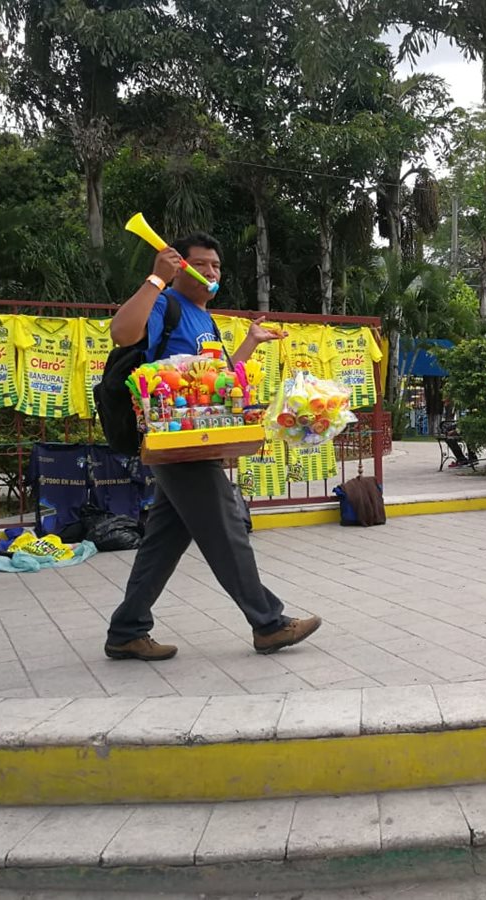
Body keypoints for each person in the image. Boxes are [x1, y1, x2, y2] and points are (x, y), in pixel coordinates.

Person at [103, 232, 322, 661]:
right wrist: (154, 280)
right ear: (178, 265)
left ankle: (127, 630)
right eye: (199, 264)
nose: (210, 272)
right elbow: (121, 333)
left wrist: (250, 343)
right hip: (174, 441)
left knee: (164, 539)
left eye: (216, 266)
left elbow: (218, 379)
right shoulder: (165, 305)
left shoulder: (207, 320)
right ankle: (268, 623)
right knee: (225, 527)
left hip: (198, 438)